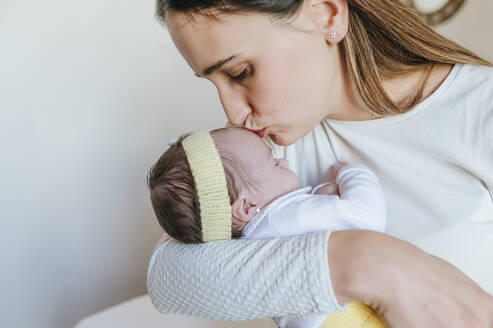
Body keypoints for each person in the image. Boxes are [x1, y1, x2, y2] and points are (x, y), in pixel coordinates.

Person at [147, 0, 493, 327]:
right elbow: (165, 276)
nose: (233, 114)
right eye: (215, 83)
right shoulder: (265, 154)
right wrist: (364, 260)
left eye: (240, 72)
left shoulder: (481, 111)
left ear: (325, 14)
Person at [147, 127, 387, 328]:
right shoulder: (286, 217)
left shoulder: (253, 241)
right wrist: (351, 172)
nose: (284, 160)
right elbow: (367, 217)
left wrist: (320, 196)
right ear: (248, 206)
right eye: (273, 162)